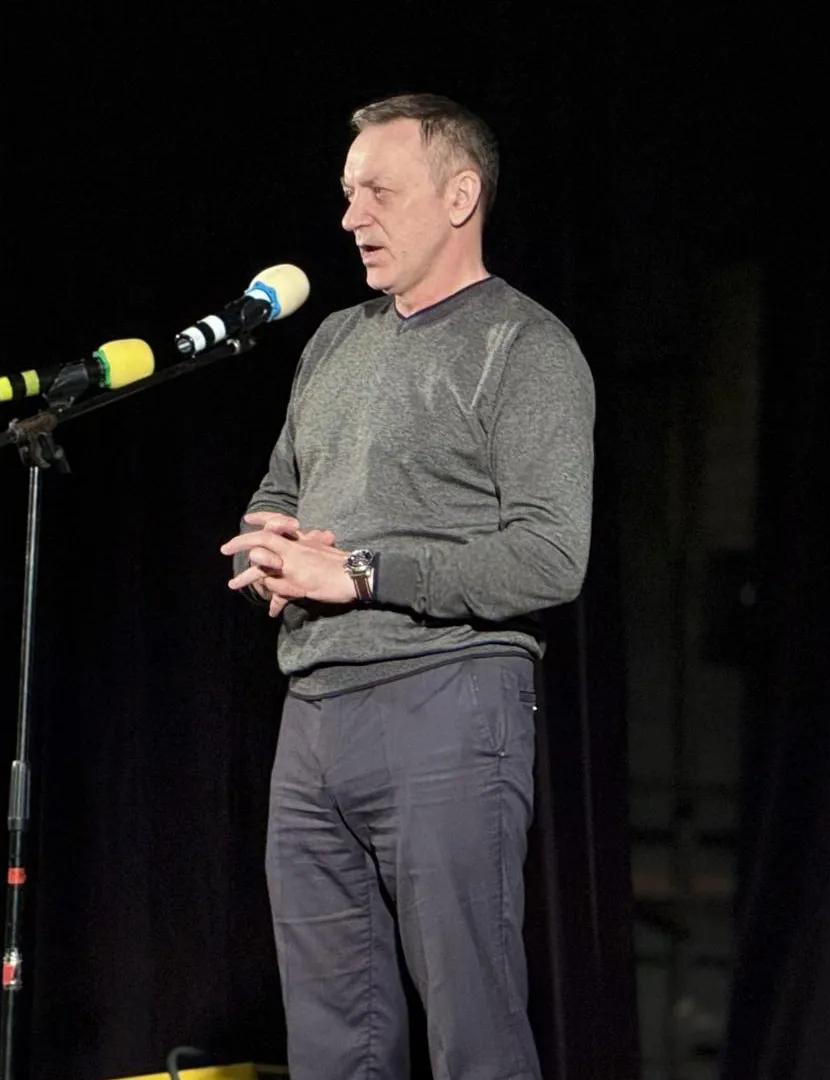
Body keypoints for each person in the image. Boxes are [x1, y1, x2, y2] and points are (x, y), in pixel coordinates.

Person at [219, 92, 595, 1080]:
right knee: (333, 1047)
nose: (353, 218)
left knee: (474, 1035)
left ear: (460, 196)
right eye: (348, 194)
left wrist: (357, 572)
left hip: (448, 706)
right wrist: (268, 544)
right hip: (312, 716)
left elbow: (551, 558)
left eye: (378, 192)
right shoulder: (335, 342)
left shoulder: (525, 347)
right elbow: (281, 489)